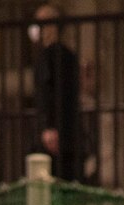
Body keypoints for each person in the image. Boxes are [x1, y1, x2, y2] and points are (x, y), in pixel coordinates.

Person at [29, 4, 83, 183]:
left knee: (54, 178)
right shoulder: (64, 55)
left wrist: (50, 126)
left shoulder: (53, 56)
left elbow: (50, 92)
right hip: (64, 130)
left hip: (57, 132)